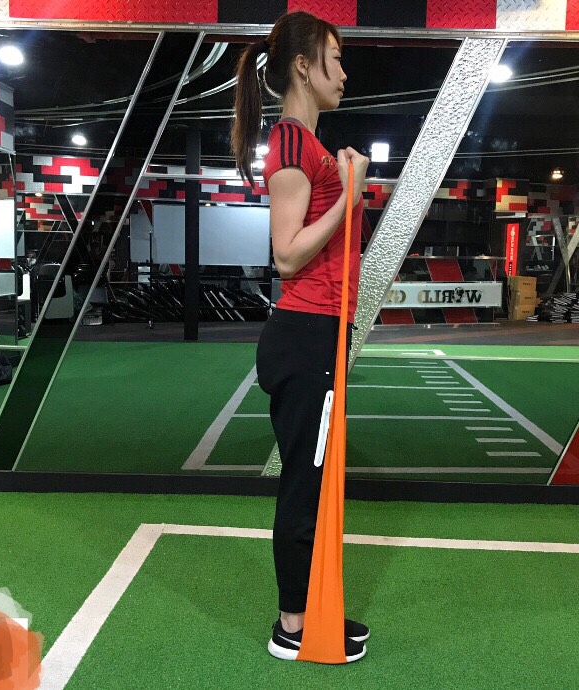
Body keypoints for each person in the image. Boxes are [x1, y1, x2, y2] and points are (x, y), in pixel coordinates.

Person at [232, 11, 370, 663]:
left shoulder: (310, 145)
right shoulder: (290, 143)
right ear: (304, 67)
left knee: (318, 479)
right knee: (304, 484)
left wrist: (344, 187)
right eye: (334, 59)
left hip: (321, 333)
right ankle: (292, 624)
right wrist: (349, 196)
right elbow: (286, 254)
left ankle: (314, 607)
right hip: (306, 334)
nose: (343, 72)